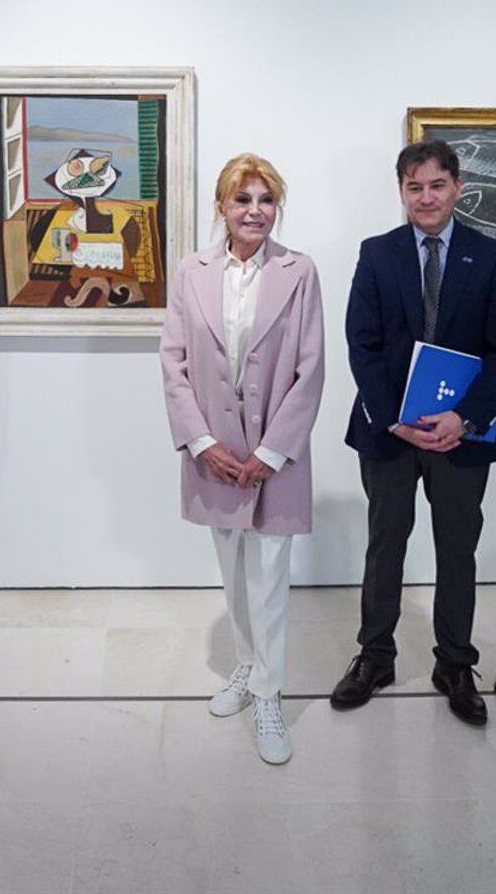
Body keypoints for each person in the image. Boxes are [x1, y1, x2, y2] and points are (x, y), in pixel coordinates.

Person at [331, 140, 496, 726]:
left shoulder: (489, 258)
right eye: (414, 187)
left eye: (437, 185)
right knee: (385, 542)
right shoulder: (377, 254)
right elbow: (360, 344)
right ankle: (375, 656)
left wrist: (464, 418)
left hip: (461, 434)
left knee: (456, 549)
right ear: (401, 192)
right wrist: (395, 418)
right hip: (391, 431)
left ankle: (455, 663)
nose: (426, 197)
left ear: (457, 188)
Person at [158, 154, 326, 765]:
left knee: (269, 580)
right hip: (216, 456)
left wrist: (271, 451)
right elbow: (173, 363)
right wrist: (203, 443)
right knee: (232, 574)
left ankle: (270, 694)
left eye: (265, 200)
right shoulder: (190, 272)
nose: (254, 211)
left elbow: (310, 370)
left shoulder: (299, 271)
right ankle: (245, 667)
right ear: (222, 208)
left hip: (272, 458)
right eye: (242, 200)